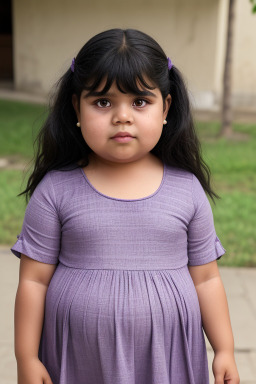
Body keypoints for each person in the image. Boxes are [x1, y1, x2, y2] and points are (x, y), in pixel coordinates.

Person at [11, 28, 240, 384]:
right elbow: (34, 282)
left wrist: (224, 349)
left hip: (167, 361)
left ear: (165, 107)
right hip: (77, 360)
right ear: (77, 107)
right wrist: (26, 357)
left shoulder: (186, 190)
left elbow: (207, 279)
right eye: (103, 102)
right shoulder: (56, 191)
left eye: (139, 102)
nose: (122, 116)